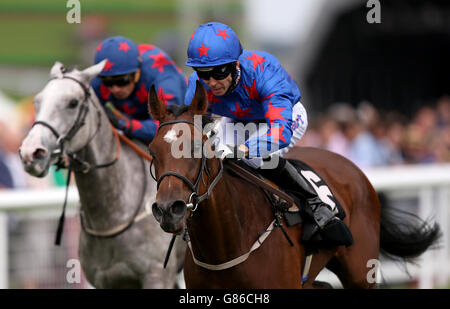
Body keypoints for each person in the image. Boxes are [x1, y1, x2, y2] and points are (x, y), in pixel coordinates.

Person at [184, 22, 352, 247]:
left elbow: (279, 131)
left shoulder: (264, 71)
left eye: (219, 72)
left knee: (252, 157)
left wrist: (240, 150)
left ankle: (315, 204)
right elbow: (192, 126)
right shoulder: (197, 84)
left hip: (285, 118)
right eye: (204, 73)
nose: (212, 82)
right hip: (238, 120)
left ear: (235, 64)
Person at [92, 36, 187, 143]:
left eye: (123, 80)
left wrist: (124, 124)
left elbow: (168, 129)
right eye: (107, 82)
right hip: (140, 117)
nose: (115, 89)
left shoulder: (164, 78)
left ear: (137, 73)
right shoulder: (102, 77)